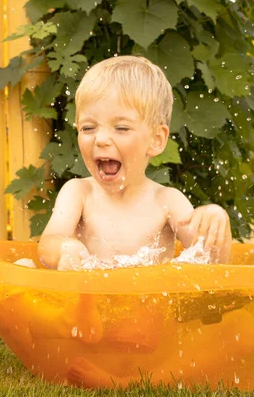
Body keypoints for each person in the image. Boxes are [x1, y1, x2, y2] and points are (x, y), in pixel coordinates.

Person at [38, 55, 231, 271]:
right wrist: (64, 249)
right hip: (90, 303)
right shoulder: (79, 193)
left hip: (149, 305)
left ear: (156, 140)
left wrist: (216, 221)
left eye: (121, 128)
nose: (100, 139)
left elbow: (211, 266)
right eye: (88, 128)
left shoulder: (166, 202)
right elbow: (47, 244)